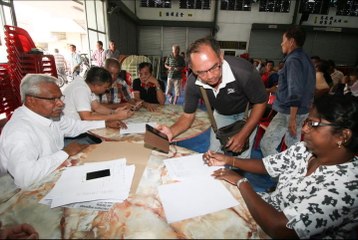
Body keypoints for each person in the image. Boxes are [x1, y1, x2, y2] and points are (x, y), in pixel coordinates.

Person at [203, 94, 358, 239]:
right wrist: (228, 160)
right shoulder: (304, 149)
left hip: (277, 225)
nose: (304, 129)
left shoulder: (348, 187)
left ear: (343, 136)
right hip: (270, 207)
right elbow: (267, 165)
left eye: (313, 124)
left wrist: (241, 182)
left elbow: (280, 229)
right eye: (306, 123)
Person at [0, 74, 125, 188]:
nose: (60, 103)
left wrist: (105, 123)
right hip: (19, 193)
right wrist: (65, 152)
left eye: (60, 97)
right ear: (31, 100)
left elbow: (75, 126)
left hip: (51, 174)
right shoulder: (19, 131)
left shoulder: (48, 116)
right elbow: (25, 178)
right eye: (53, 99)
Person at [157, 36, 267, 158]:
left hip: (247, 114)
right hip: (221, 114)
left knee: (241, 156)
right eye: (201, 72)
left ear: (221, 56)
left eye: (214, 67)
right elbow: (188, 116)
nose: (210, 76)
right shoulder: (193, 83)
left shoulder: (244, 71)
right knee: (214, 153)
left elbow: (261, 102)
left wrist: (243, 134)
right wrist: (171, 131)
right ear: (191, 69)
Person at [260, 25, 315, 157]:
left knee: (267, 144)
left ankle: (279, 172)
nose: (281, 43)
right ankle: (293, 172)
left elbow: (295, 90)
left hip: (289, 112)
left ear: (291, 41)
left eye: (283, 40)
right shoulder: (306, 58)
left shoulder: (293, 60)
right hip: (301, 110)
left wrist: (292, 117)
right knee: (293, 146)